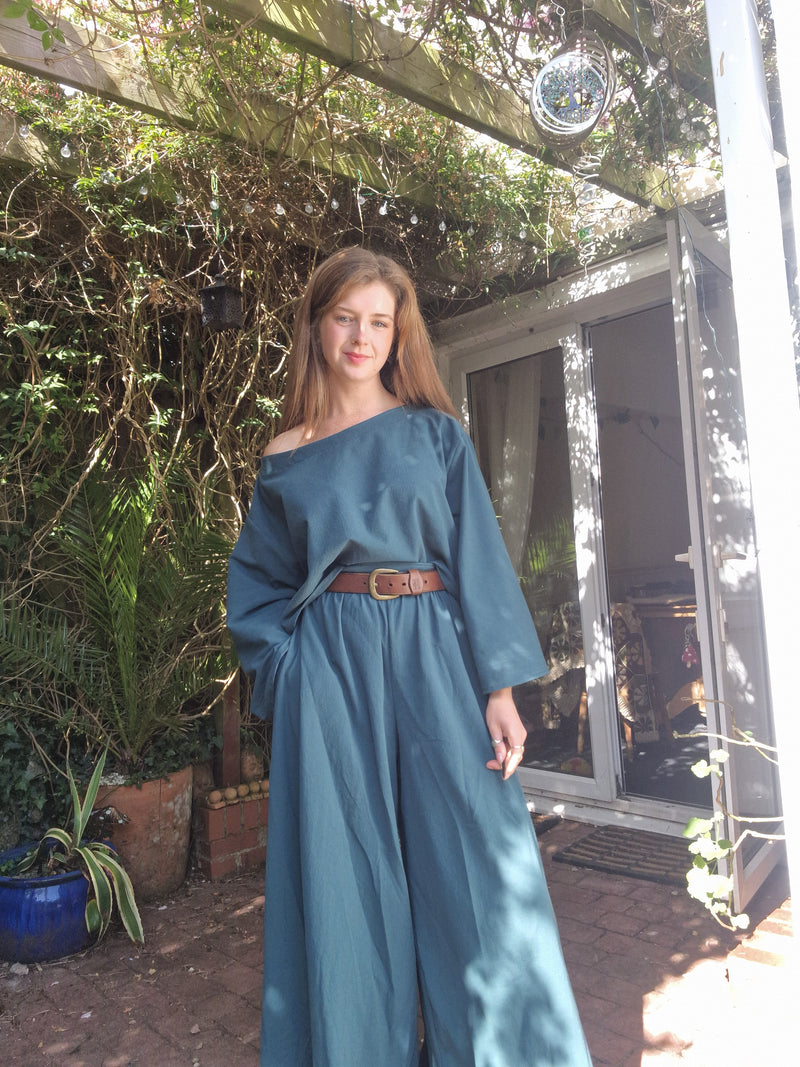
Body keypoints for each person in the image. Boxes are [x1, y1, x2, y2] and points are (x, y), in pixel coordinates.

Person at [227, 247, 592, 1066]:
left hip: (435, 654)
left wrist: (498, 688)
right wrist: (292, 672)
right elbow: (257, 583)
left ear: (399, 335)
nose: (361, 337)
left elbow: (479, 559)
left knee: (477, 867)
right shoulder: (285, 455)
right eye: (345, 318)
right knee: (346, 882)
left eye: (379, 322)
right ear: (317, 325)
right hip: (331, 670)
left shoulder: (435, 434)